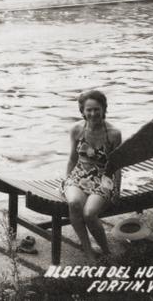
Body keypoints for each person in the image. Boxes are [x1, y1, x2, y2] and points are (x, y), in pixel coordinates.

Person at [63, 90, 122, 261]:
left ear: (104, 109)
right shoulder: (76, 130)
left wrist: (117, 189)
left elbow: (117, 165)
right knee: (74, 203)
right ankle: (88, 252)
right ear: (82, 110)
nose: (93, 114)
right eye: (88, 110)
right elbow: (73, 158)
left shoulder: (113, 133)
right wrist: (68, 180)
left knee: (89, 213)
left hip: (103, 177)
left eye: (97, 109)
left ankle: (106, 252)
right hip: (79, 175)